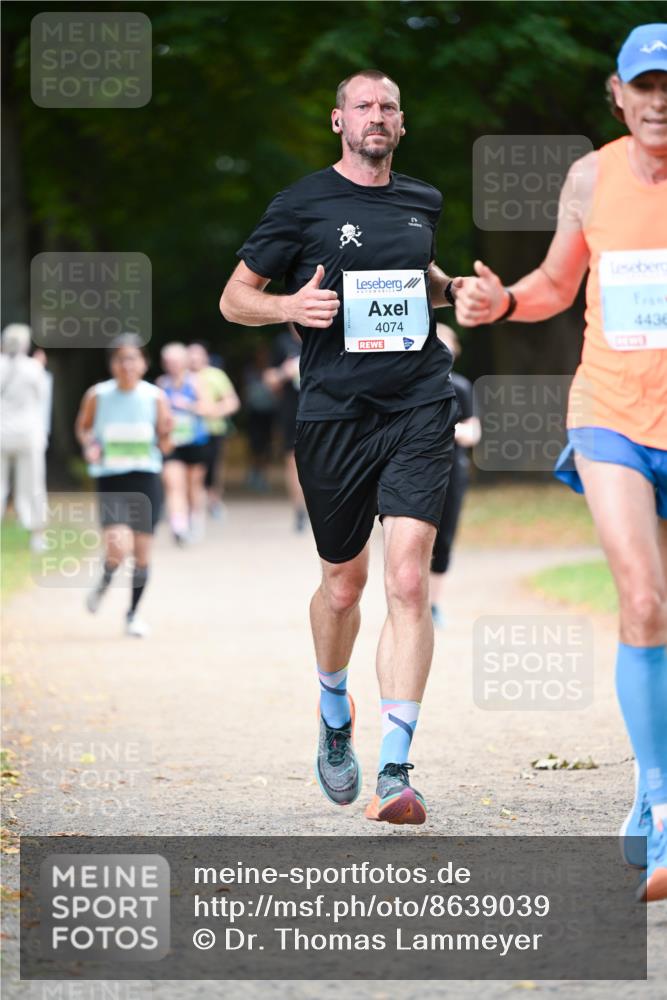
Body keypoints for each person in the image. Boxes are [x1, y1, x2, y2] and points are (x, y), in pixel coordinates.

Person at [455, 24, 667, 900]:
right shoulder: (590, 178)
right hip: (609, 412)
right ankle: (661, 802)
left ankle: (651, 782)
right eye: (644, 86)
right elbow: (554, 283)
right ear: (617, 94)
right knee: (642, 599)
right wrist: (502, 300)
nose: (658, 102)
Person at [220, 70, 463, 824]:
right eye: (363, 106)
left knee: (409, 579)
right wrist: (289, 305)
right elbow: (234, 298)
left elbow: (418, 274)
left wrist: (455, 291)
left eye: (389, 106)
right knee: (343, 588)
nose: (376, 116)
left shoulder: (422, 200)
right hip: (334, 415)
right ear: (339, 121)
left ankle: (395, 768)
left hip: (420, 403)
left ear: (401, 122)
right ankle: (333, 709)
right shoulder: (300, 204)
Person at [75, 334, 172, 637]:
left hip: (145, 478)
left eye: (133, 358)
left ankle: (132, 615)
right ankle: (105, 580)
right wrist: (90, 445)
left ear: (144, 363)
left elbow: (166, 441)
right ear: (112, 364)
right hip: (111, 478)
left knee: (142, 555)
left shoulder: (155, 396)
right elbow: (84, 428)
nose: (127, 365)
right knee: (118, 547)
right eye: (121, 359)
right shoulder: (98, 395)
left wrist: (167, 438)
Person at [429, 324, 481, 629]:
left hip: (451, 471)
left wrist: (450, 430)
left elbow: (473, 431)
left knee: (444, 537)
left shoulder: (460, 387)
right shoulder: (408, 386)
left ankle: (433, 604)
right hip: (416, 472)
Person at [0, 324, 49, 552]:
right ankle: (37, 535)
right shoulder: (34, 368)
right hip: (29, 433)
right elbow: (42, 398)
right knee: (33, 486)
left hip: (2, 432)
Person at [157, 342, 212, 544]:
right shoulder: (162, 384)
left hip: (195, 441)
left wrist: (188, 405)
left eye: (176, 362)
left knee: (193, 486)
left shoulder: (196, 382)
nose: (172, 365)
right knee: (173, 484)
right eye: (168, 362)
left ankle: (195, 519)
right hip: (172, 442)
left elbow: (208, 408)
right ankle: (178, 527)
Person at [263, 323, 308, 531]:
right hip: (293, 411)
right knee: (293, 461)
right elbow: (269, 380)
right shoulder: (283, 343)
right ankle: (300, 511)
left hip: (328, 408)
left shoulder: (328, 335)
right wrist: (284, 372)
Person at [187, 342, 240, 519]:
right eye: (190, 355)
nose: (194, 359)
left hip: (213, 430)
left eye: (197, 355)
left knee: (213, 468)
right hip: (186, 433)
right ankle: (191, 504)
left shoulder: (216, 375)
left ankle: (213, 500)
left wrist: (213, 411)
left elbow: (232, 402)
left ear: (205, 357)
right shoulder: (180, 376)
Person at [243, 344, 277, 492]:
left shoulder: (273, 371)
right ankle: (254, 472)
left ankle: (263, 476)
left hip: (269, 414)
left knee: (267, 446)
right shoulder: (250, 371)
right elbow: (246, 391)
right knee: (254, 445)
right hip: (254, 414)